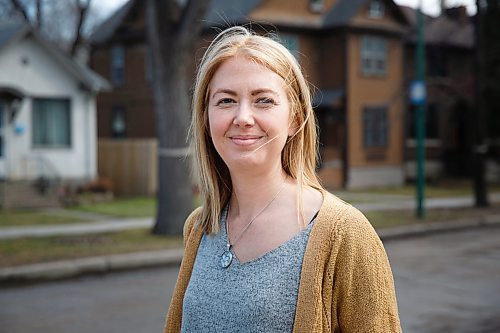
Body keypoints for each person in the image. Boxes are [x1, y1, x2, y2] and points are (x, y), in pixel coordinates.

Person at [164, 26, 401, 333]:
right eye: (226, 101)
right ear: (206, 119)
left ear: (295, 119)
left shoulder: (346, 234)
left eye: (263, 100)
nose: (243, 117)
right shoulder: (199, 227)